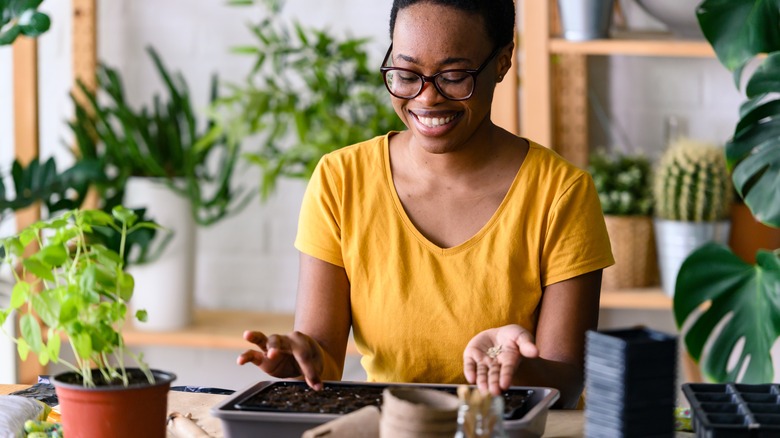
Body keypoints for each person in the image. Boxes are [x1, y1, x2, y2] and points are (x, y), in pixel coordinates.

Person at [237, 0, 614, 409]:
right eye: (406, 74)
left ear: (503, 61)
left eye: (453, 76)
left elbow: (567, 382)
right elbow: (323, 357)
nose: (427, 98)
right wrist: (300, 358)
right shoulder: (341, 180)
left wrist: (509, 368)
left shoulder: (560, 193)